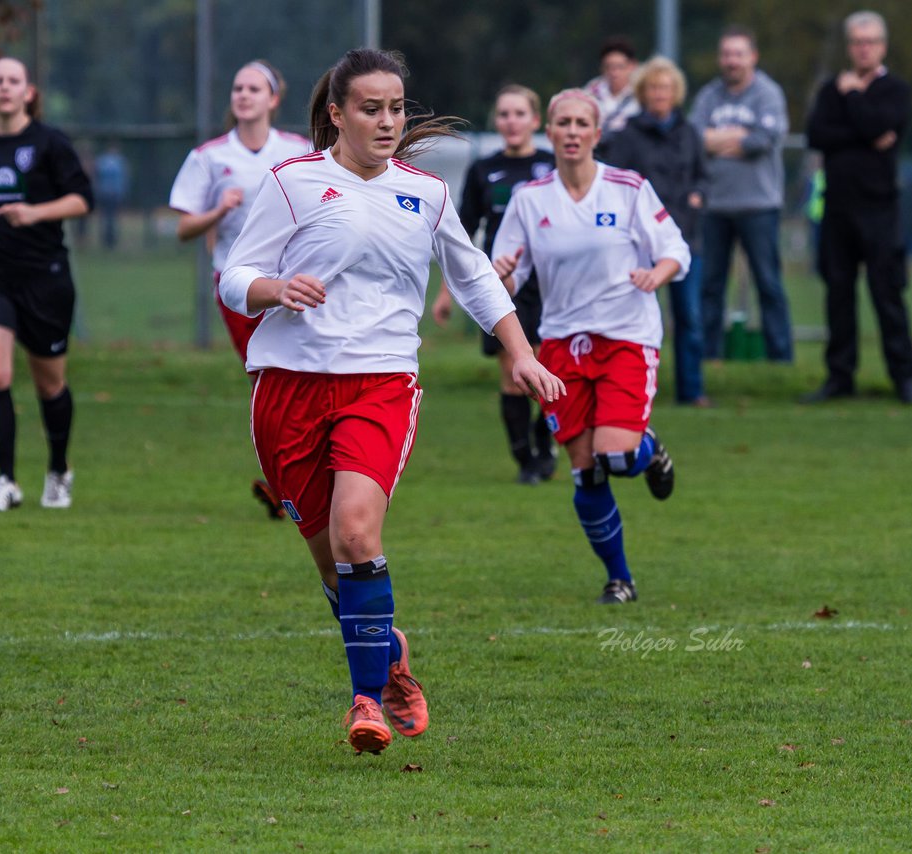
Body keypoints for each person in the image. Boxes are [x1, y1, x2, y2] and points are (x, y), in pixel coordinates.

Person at [219, 49, 564, 753]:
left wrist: (521, 352)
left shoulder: (426, 193)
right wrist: (273, 289)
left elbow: (474, 279)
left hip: (380, 382)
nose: (387, 120)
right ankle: (390, 653)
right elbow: (235, 275)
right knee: (331, 565)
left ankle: (366, 701)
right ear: (336, 114)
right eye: (371, 108)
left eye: (397, 107)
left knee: (355, 533)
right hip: (287, 386)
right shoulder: (293, 182)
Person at [491, 89, 689, 606]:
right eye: (563, 123)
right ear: (549, 133)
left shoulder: (627, 189)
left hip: (626, 338)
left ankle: (650, 452)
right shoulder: (529, 200)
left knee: (617, 457)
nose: (573, 131)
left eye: (582, 123)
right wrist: (503, 275)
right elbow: (501, 285)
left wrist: (656, 273)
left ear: (597, 134)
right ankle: (619, 578)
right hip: (561, 346)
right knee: (585, 467)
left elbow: (676, 249)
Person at [169, 59, 310, 519]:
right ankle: (285, 484)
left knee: (299, 379)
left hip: (295, 286)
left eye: (254, 88)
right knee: (267, 382)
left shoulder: (298, 150)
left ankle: (297, 480)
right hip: (239, 288)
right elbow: (184, 228)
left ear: (273, 99)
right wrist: (217, 211)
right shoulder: (210, 157)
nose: (243, 95)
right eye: (237, 88)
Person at [0, 57, 94, 510]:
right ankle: (5, 480)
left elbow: (81, 200)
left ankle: (57, 469)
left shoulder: (50, 143)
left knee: (50, 384)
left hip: (45, 277)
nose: (6, 88)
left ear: (28, 91)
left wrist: (35, 212)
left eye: (14, 81)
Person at [431, 85, 557, 484]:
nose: (511, 121)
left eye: (520, 113)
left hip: (549, 283)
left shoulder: (553, 166)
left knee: (549, 365)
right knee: (513, 371)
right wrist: (446, 292)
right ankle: (525, 459)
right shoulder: (483, 169)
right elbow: (462, 235)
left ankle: (545, 437)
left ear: (535, 121)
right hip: (502, 282)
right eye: (504, 114)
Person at [803, 11, 912, 404]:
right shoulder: (829, 89)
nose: (863, 48)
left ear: (882, 46)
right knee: (838, 295)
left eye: (870, 41)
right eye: (857, 41)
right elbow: (818, 135)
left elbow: (881, 127)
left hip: (879, 209)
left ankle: (904, 378)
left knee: (886, 293)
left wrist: (853, 97)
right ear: (849, 45)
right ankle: (840, 377)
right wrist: (864, 132)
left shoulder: (896, 91)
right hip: (836, 208)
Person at [601, 56, 711, 407]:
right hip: (639, 244)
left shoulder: (689, 132)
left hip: (683, 239)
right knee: (633, 318)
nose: (660, 93)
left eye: (665, 87)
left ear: (675, 92)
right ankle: (629, 386)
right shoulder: (628, 135)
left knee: (689, 317)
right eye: (653, 87)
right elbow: (614, 180)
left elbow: (703, 175)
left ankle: (692, 391)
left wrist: (698, 197)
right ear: (643, 93)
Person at [689, 25, 793, 363]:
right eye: (727, 54)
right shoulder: (708, 96)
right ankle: (707, 358)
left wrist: (719, 140)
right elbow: (694, 140)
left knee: (769, 285)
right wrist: (737, 137)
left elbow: (762, 140)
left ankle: (781, 359)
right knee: (710, 286)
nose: (732, 61)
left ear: (753, 57)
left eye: (739, 53)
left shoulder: (767, 93)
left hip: (759, 205)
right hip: (714, 205)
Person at [584, 36, 641, 135]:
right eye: (609, 67)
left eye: (620, 67)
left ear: (633, 66)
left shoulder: (641, 94)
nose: (614, 73)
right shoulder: (591, 91)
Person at [93, 142, 130, 250]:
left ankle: (111, 240)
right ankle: (107, 240)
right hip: (107, 194)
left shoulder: (113, 161)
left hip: (112, 194)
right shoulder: (114, 161)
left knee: (111, 218)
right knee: (106, 218)